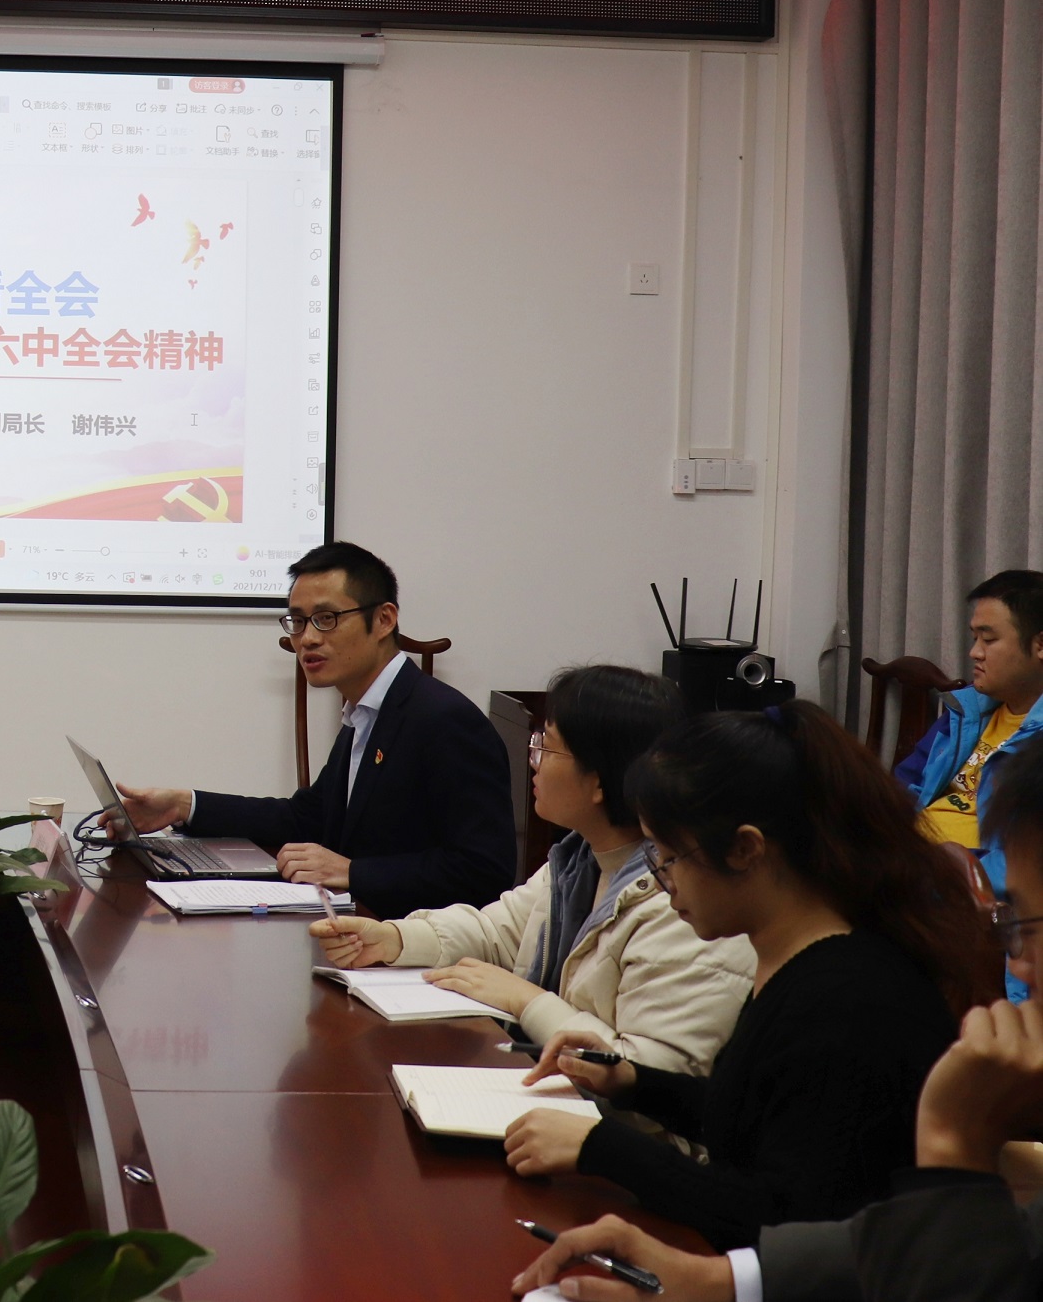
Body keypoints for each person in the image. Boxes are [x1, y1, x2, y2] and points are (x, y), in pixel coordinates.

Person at [513, 734, 1043, 1302]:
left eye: (669, 859)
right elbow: (757, 1117)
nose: (665, 885)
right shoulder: (795, 958)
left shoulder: (851, 1001)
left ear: (746, 849)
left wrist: (603, 1147)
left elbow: (783, 1212)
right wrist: (633, 1081)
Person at [310, 664, 754, 1074]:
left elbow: (653, 1075)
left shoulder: (682, 901)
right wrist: (393, 939)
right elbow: (495, 932)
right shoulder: (579, 860)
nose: (533, 758)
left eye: (547, 746)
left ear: (599, 781)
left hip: (613, 1126)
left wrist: (527, 1002)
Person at [110, 541, 514, 917]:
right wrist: (185, 805)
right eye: (299, 622)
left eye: (326, 619)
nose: (307, 639)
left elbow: (484, 870)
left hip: (412, 945)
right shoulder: (366, 711)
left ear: (384, 620)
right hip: (354, 928)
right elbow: (306, 818)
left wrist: (353, 872)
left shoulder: (443, 718)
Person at [898, 571, 1043, 911]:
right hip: (905, 865)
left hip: (958, 897)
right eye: (974, 637)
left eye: (988, 640)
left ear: (1040, 646)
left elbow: (1026, 865)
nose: (974, 652)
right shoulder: (966, 713)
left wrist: (930, 871)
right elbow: (903, 786)